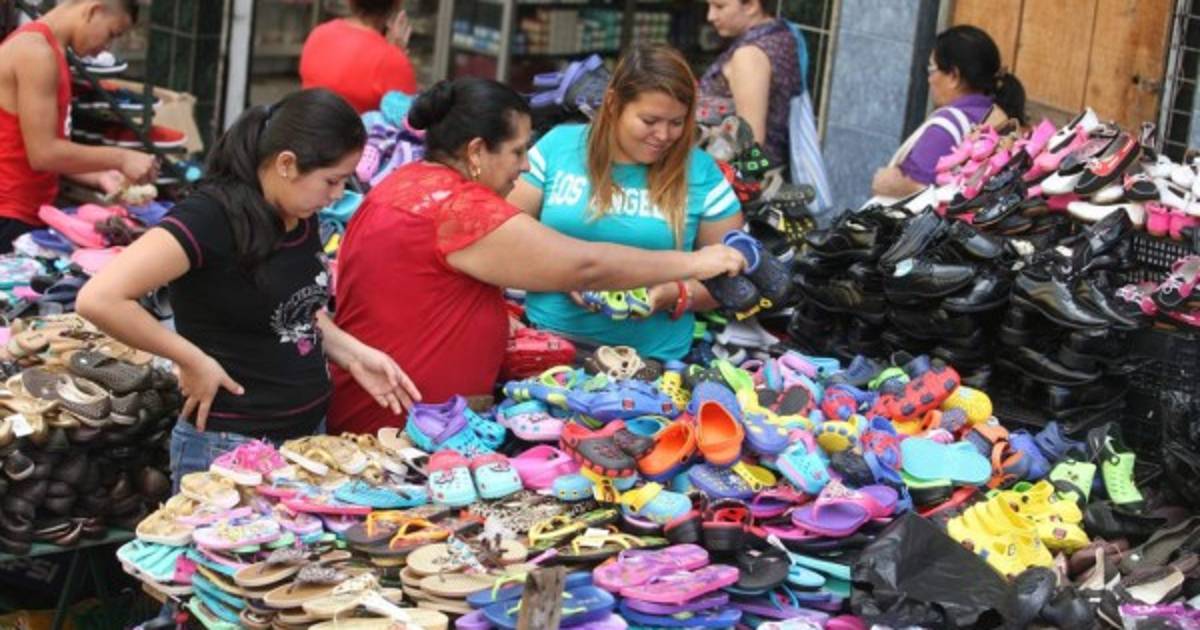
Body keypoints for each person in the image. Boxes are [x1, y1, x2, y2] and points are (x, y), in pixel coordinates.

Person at [328, 77, 745, 435]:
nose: (526, 166)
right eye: (517, 151)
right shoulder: (460, 208)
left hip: (392, 412)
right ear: (476, 151)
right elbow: (585, 266)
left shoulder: (406, 182)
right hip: (403, 426)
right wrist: (694, 262)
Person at [76, 89, 419, 487]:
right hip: (229, 446)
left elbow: (296, 315)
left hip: (308, 441)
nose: (337, 195)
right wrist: (191, 359)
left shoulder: (298, 212)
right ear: (286, 164)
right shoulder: (210, 217)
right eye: (332, 180)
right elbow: (100, 298)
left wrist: (355, 355)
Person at [506, 44, 745, 362]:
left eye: (676, 122)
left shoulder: (702, 174)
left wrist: (676, 295)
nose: (663, 135)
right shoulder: (556, 149)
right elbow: (502, 241)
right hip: (546, 350)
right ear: (613, 103)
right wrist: (563, 273)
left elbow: (730, 276)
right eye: (650, 120)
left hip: (653, 364)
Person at [0, 0, 158, 251]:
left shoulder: (49, 50)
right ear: (94, 10)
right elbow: (43, 154)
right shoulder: (36, 52)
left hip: (25, 211)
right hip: (9, 215)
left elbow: (32, 148)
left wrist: (99, 175)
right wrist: (121, 158)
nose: (106, 48)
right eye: (111, 34)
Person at [871, 24, 1027, 199]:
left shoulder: (946, 127)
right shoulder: (997, 118)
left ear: (953, 76)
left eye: (932, 69)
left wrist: (891, 184)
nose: (929, 80)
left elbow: (918, 192)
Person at [699, 0, 803, 166]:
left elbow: (750, 141)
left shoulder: (749, 56)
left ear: (751, 6)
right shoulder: (782, 34)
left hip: (729, 173)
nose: (710, 16)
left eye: (720, 7)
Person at [299, 0, 416, 114]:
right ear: (397, 3)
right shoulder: (392, 61)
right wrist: (396, 55)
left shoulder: (318, 35)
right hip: (351, 128)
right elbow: (408, 120)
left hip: (306, 124)